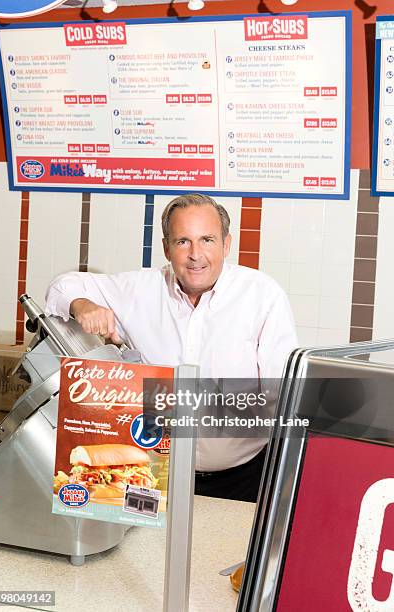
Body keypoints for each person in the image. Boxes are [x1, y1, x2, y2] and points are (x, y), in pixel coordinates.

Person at [45, 193, 298, 502]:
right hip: (152, 475)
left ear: (226, 244)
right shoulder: (139, 289)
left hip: (243, 478)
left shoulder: (263, 295)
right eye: (183, 242)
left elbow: (282, 392)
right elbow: (62, 285)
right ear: (166, 248)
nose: (196, 255)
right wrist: (82, 305)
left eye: (207, 240)